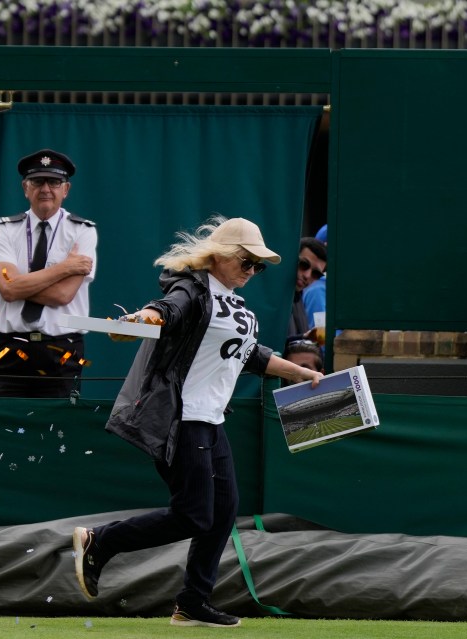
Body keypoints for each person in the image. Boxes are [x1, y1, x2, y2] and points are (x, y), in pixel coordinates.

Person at [71, 216, 322, 628]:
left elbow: (252, 355)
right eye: (247, 262)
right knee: (193, 515)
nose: (252, 271)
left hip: (210, 420)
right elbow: (166, 311)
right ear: (222, 255)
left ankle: (192, 602)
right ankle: (101, 542)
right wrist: (141, 322)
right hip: (182, 419)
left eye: (258, 266)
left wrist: (304, 374)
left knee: (223, 512)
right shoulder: (193, 288)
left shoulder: (234, 302)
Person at [0, 149, 97, 398]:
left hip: (62, 350)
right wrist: (65, 268)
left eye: (54, 182)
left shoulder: (82, 231)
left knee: (58, 433)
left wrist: (10, 283)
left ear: (65, 190)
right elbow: (9, 290)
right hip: (10, 348)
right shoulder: (3, 230)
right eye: (37, 181)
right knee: (2, 429)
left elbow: (64, 294)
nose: (45, 188)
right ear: (25, 188)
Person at [289, 236, 326, 342]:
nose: (307, 275)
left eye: (316, 274)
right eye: (304, 265)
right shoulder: (271, 296)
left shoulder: (297, 297)